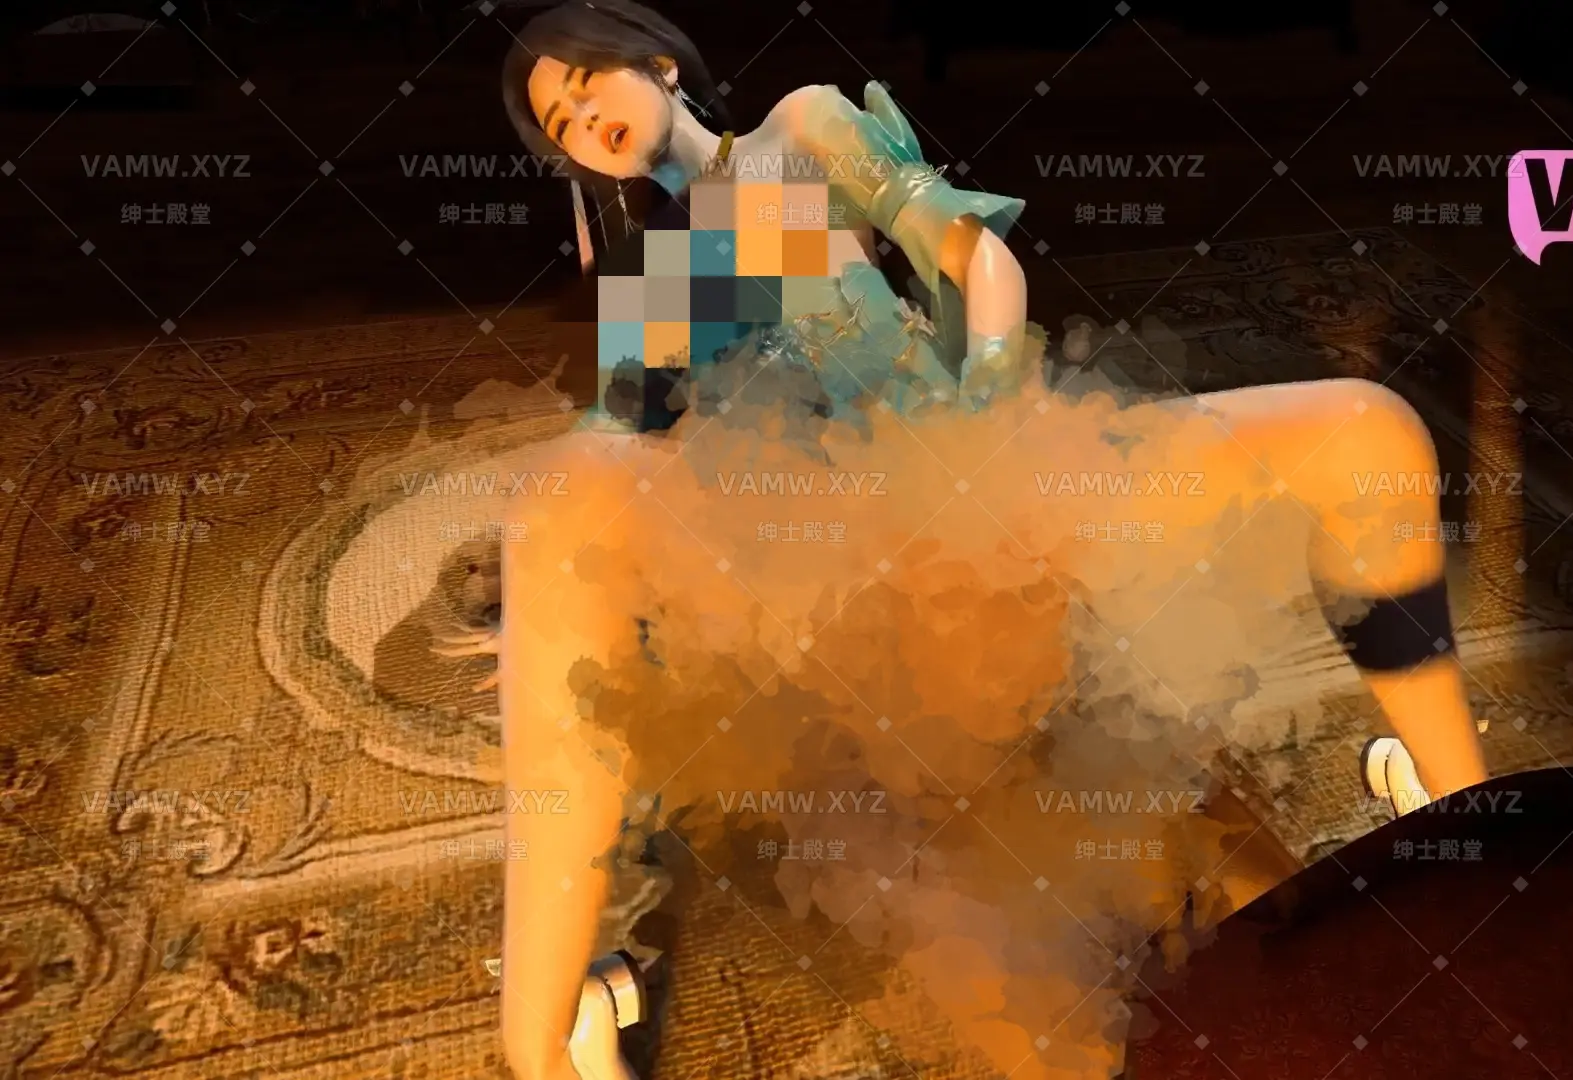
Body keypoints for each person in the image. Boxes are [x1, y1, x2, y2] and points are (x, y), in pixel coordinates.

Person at [490, 4, 1488, 1076]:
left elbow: (981, 267)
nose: (580, 120)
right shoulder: (648, 278)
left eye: (585, 85)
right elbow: (619, 445)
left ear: (656, 64)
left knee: (1368, 434)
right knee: (1080, 991)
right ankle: (543, 1039)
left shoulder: (800, 129)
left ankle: (1465, 808)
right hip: (861, 579)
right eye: (558, 123)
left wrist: (988, 433)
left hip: (997, 462)